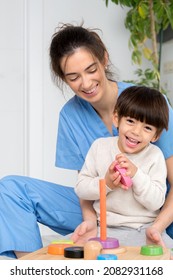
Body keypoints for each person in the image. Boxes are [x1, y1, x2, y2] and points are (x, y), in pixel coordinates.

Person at [0, 23, 173, 259]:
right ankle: (30, 266)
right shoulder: (70, 115)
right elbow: (85, 186)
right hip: (103, 211)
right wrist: (91, 221)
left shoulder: (148, 108)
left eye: (91, 69)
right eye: (73, 77)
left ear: (104, 59)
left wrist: (157, 227)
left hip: (153, 213)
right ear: (64, 79)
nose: (86, 83)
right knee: (11, 189)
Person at [75, 85, 173, 247]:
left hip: (144, 229)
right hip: (104, 228)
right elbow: (81, 189)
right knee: (72, 252)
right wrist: (106, 183)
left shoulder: (155, 156)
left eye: (147, 128)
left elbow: (156, 202)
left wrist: (136, 175)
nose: (136, 131)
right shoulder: (100, 147)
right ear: (116, 119)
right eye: (130, 121)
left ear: (156, 135)